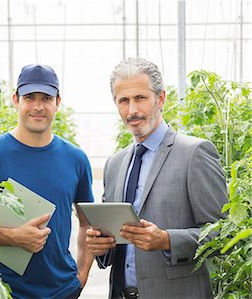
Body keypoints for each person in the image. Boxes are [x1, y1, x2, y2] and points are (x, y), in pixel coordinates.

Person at [85, 57, 228, 299]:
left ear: (160, 98)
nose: (132, 110)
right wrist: (102, 247)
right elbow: (114, 240)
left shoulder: (194, 153)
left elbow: (223, 235)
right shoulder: (115, 164)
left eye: (141, 98)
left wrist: (167, 240)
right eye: (124, 101)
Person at [0, 64, 94, 299]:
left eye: (46, 98)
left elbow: (87, 224)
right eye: (30, 97)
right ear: (16, 100)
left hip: (62, 291)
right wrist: (13, 237)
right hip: (2, 291)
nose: (38, 106)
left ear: (58, 102)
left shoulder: (76, 159)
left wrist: (81, 275)